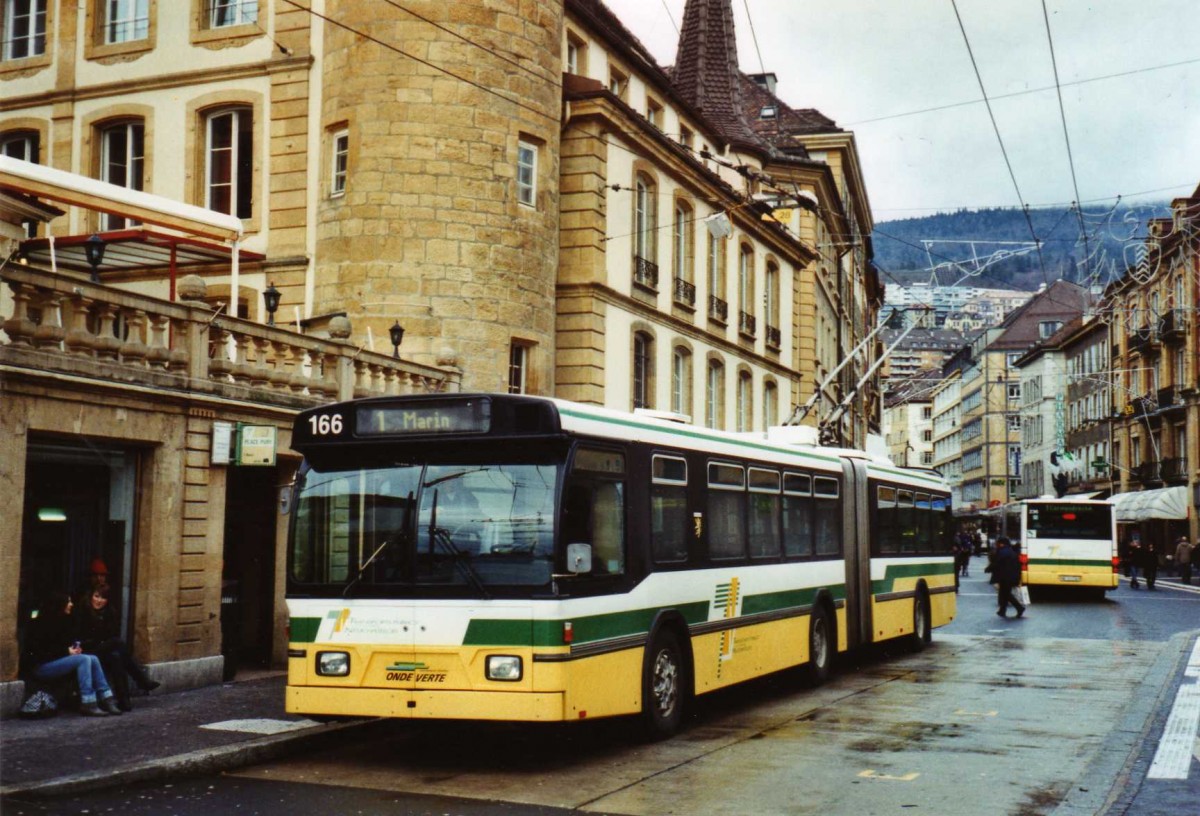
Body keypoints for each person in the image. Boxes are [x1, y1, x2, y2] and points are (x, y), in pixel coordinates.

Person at [24, 591, 122, 716]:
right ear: (60, 604)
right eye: (68, 602)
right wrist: (66, 651)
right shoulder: (39, 624)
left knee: (93, 658)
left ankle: (107, 698)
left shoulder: (63, 621)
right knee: (84, 659)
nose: (71, 604)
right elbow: (39, 653)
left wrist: (75, 648)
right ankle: (88, 702)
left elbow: (65, 644)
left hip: (55, 662)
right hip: (41, 667)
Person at [75, 584, 159, 710]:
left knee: (116, 657)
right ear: (91, 596)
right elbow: (82, 637)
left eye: (103, 598)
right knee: (118, 642)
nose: (99, 600)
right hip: (87, 651)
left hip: (103, 651)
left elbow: (110, 634)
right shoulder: (83, 611)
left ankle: (124, 701)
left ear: (107, 600)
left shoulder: (110, 613)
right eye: (96, 596)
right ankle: (141, 680)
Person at [988, 536, 1025, 618]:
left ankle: (1019, 608)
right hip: (1011, 575)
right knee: (1003, 593)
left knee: (1005, 593)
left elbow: (997, 563)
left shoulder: (1002, 552)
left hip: (1005, 576)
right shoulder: (1011, 551)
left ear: (1001, 544)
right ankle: (1002, 610)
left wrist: (988, 569)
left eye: (998, 543)